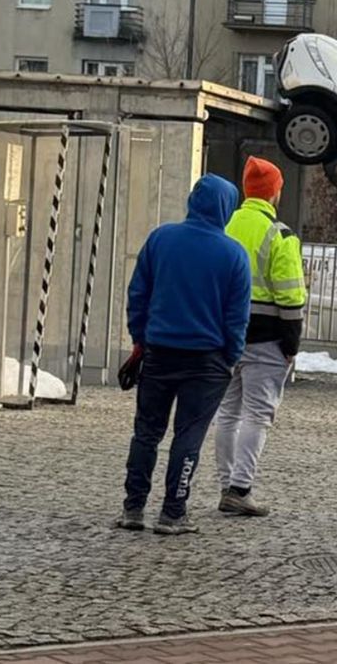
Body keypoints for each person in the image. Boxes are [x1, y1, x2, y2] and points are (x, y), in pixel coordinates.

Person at [116, 174, 252, 535]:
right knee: (188, 436)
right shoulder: (233, 254)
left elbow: (138, 293)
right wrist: (230, 356)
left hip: (159, 353)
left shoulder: (161, 239)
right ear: (227, 207)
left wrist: (140, 339)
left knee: (146, 432)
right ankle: (173, 512)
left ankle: (133, 508)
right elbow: (237, 317)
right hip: (207, 361)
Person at [213, 157, 306, 517]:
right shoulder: (279, 235)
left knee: (227, 412)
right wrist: (291, 344)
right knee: (258, 415)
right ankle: (240, 488)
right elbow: (290, 296)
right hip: (266, 339)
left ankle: (225, 485)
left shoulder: (224, 225)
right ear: (274, 193)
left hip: (224, 335)